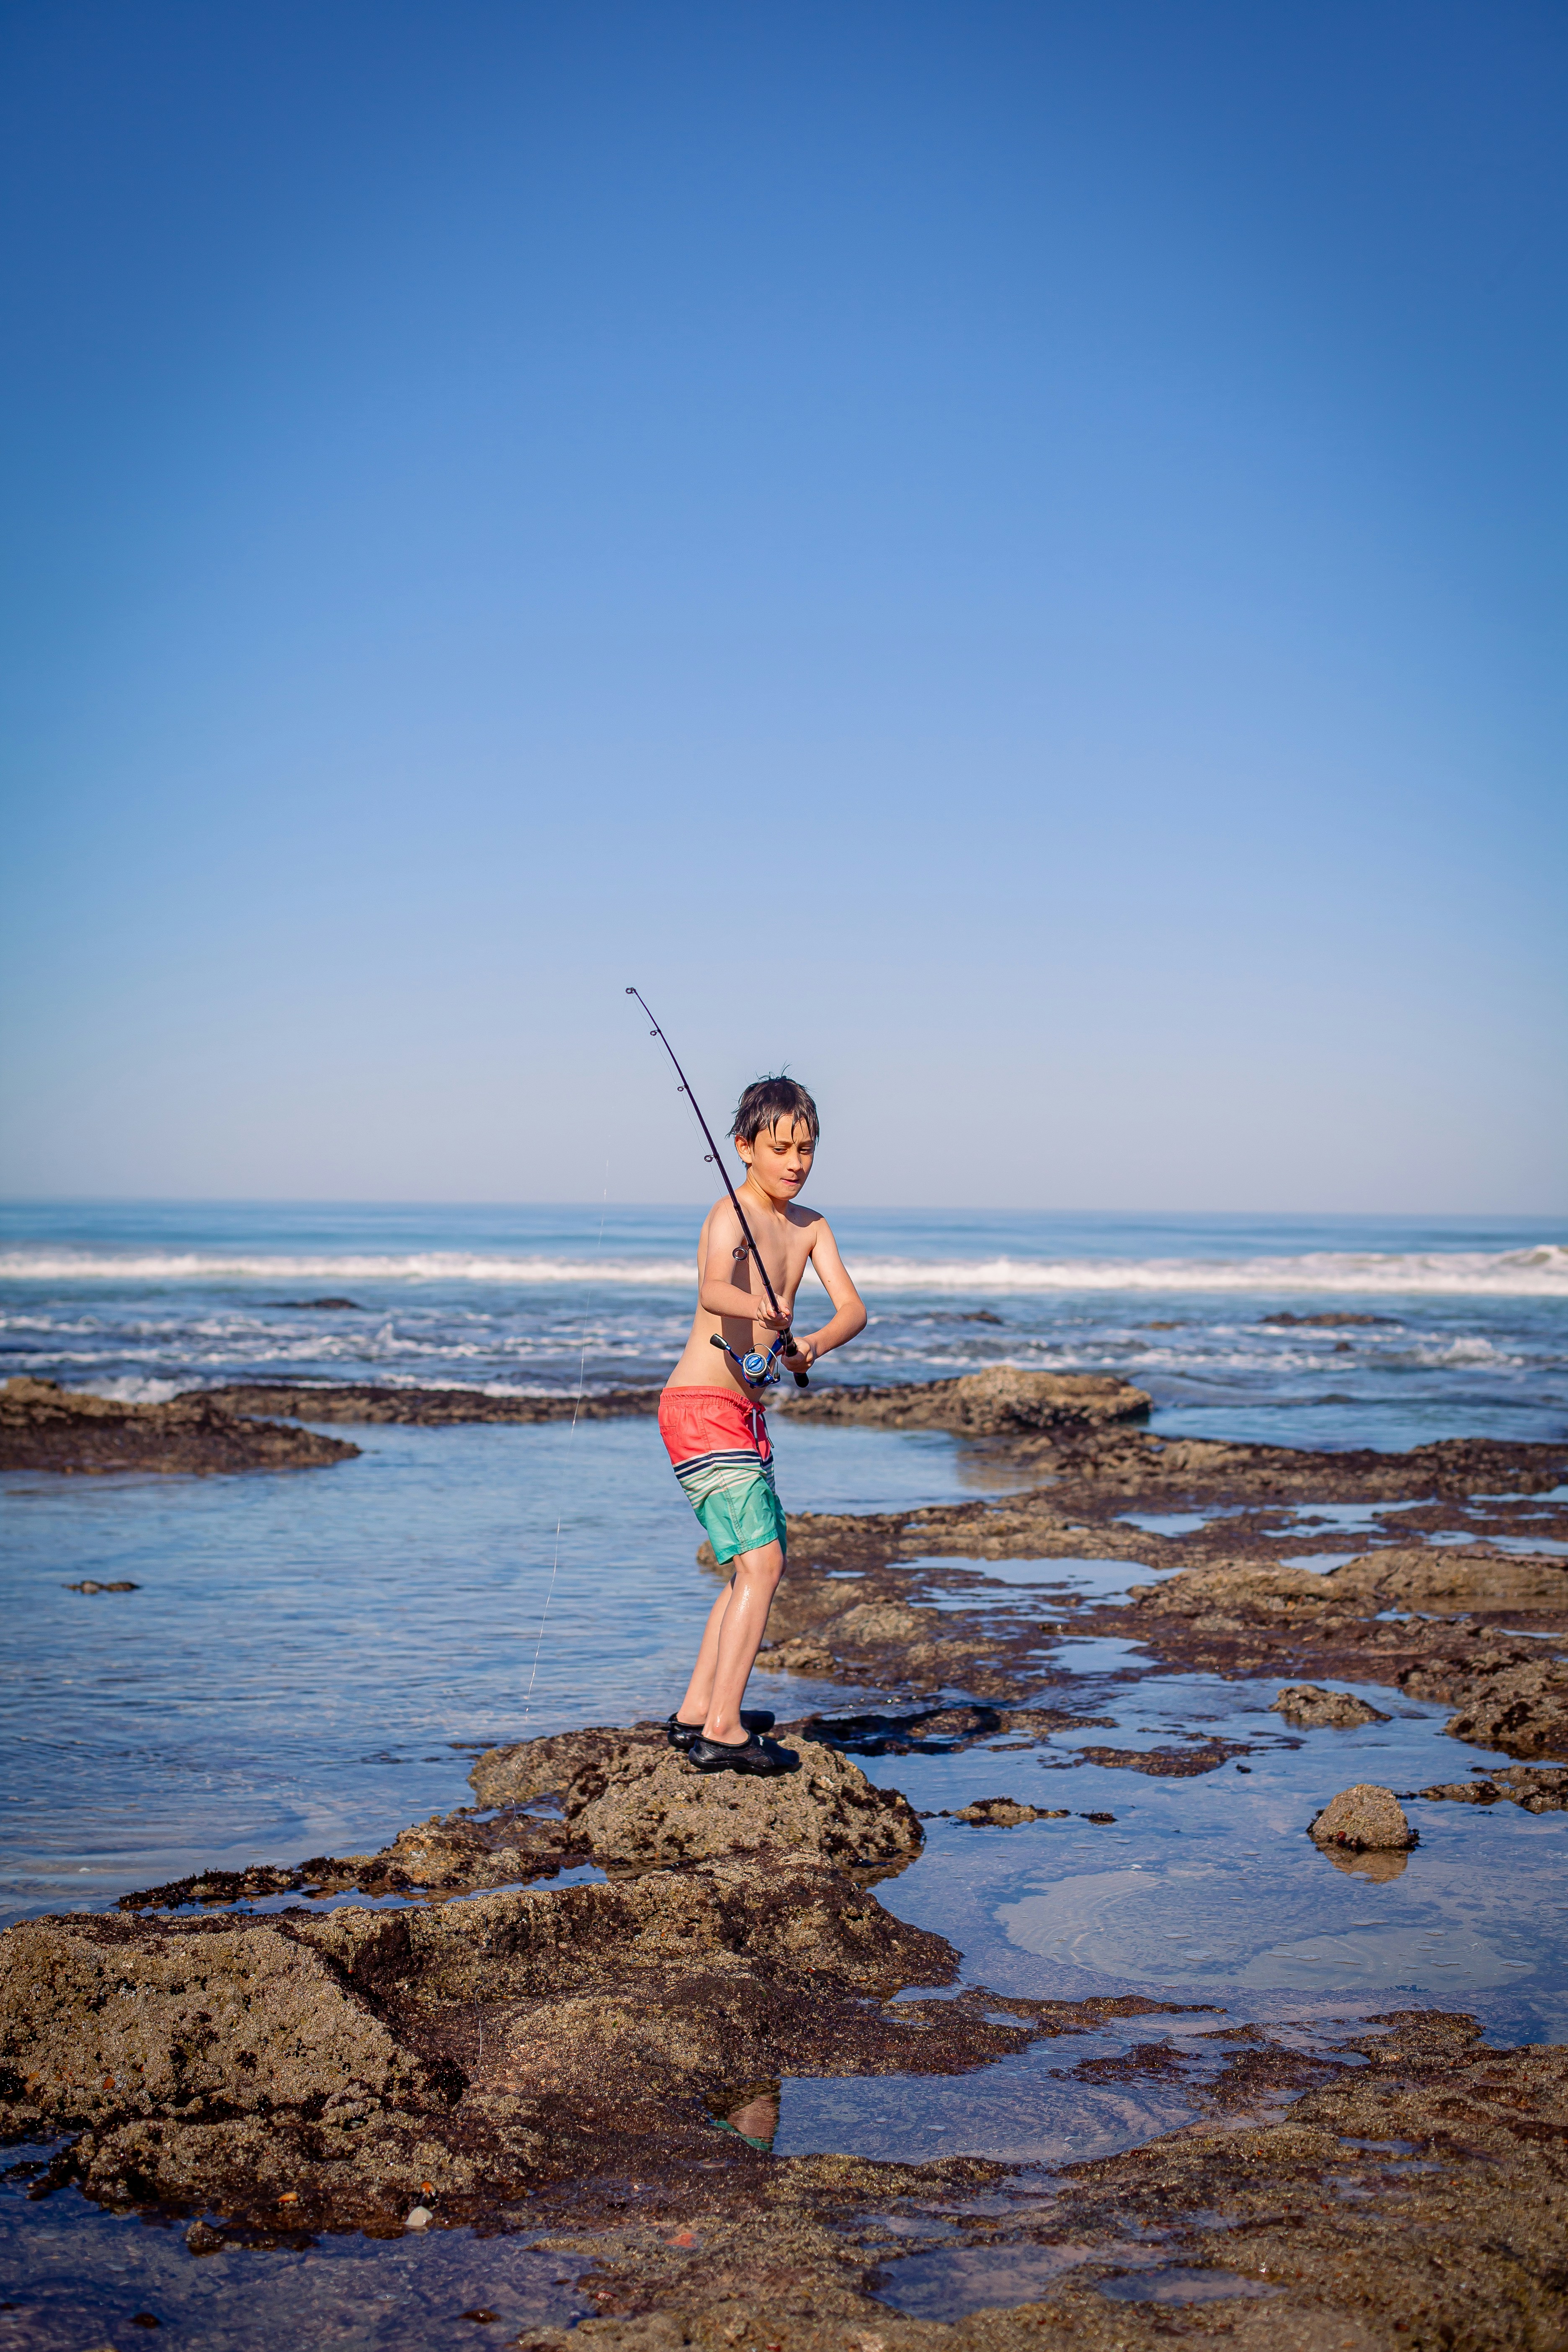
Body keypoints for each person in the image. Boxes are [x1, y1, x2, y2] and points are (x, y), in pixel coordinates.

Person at [658, 1074, 866, 1774]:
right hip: (700, 1406)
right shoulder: (730, 1213)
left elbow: (852, 1309)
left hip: (744, 1414)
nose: (796, 1162)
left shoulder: (812, 1227)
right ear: (745, 1147)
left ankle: (695, 1713)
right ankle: (723, 1731)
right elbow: (713, 1288)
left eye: (807, 1149)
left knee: (747, 1566)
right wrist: (762, 1307)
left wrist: (810, 1344)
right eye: (781, 1149)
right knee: (765, 1565)